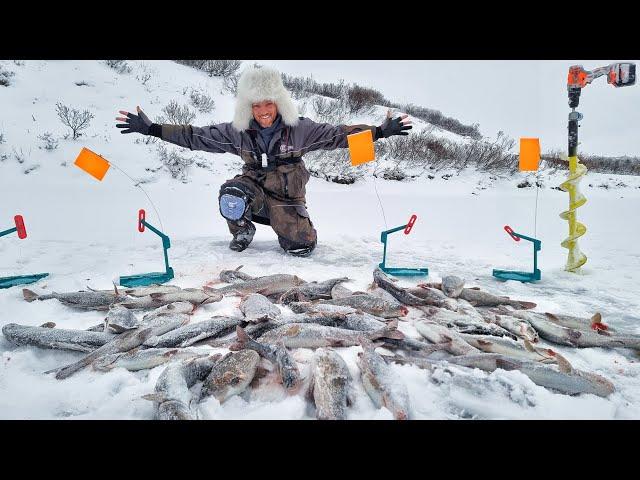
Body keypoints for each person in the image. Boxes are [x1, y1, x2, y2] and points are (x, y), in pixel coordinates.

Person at [116, 65, 412, 257]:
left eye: (268, 103)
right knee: (231, 195)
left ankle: (294, 230)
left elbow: (338, 135)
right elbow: (196, 137)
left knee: (300, 248)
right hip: (254, 191)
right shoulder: (237, 132)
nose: (263, 110)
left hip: (286, 198)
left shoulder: (301, 129)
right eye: (256, 105)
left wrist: (379, 132)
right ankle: (243, 229)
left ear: (278, 103)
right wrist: (153, 129)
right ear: (249, 107)